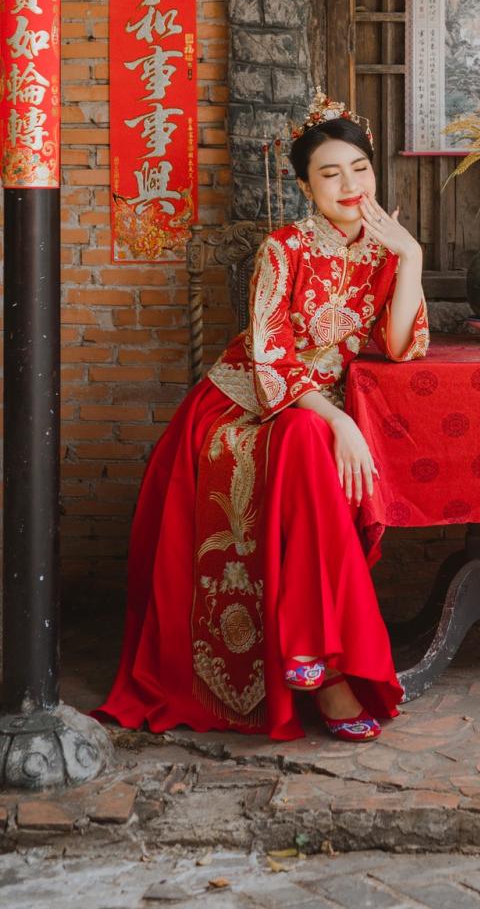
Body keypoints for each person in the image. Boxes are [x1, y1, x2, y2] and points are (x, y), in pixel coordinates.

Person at [98, 95, 429, 743]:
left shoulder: (387, 251)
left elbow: (399, 346)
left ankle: (314, 653)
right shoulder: (283, 249)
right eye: (330, 173)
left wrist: (411, 257)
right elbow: (269, 358)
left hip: (314, 414)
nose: (350, 185)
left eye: (360, 168)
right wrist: (341, 423)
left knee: (307, 439)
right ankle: (324, 671)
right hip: (245, 403)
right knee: (307, 435)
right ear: (305, 186)